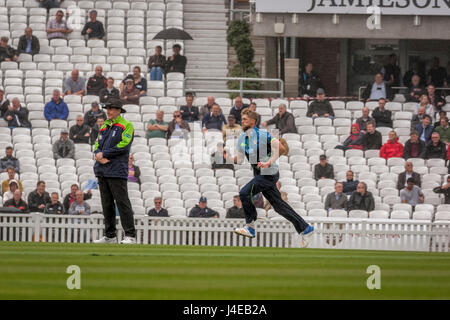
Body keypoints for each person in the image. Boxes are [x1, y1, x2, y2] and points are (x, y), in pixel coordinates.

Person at [224, 108, 313, 243]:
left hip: (269, 173)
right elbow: (240, 159)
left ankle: (250, 227)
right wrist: (229, 158)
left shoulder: (263, 134)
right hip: (260, 174)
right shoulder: (242, 137)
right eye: (241, 119)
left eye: (245, 119)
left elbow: (282, 149)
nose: (242, 121)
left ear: (253, 121)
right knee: (279, 206)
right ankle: (305, 228)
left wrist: (269, 161)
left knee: (244, 193)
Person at [93, 99, 136, 244]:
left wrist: (104, 154)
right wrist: (98, 155)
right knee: (106, 204)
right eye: (107, 108)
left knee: (122, 202)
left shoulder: (127, 126)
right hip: (102, 169)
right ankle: (110, 235)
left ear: (118, 110)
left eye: (111, 109)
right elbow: (97, 144)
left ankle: (130, 235)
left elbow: (124, 146)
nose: (108, 111)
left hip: (117, 170)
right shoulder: (105, 125)